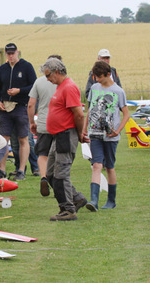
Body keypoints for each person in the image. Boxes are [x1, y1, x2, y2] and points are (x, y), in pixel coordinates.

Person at [41, 58, 88, 221]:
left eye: (48, 75)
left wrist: (80, 134)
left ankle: (68, 210)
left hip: (66, 136)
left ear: (57, 72)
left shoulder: (69, 87)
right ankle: (76, 198)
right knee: (50, 174)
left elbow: (79, 114)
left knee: (61, 174)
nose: (47, 79)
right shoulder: (61, 87)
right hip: (58, 136)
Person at [84, 61, 130, 212]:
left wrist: (118, 130)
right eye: (95, 76)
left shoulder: (118, 91)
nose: (96, 79)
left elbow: (126, 114)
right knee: (96, 165)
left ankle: (111, 200)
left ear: (108, 74)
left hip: (111, 136)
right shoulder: (94, 88)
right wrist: (84, 129)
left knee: (109, 167)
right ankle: (94, 201)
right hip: (94, 135)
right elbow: (90, 110)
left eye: (99, 77)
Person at [0, 43, 37, 180]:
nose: (11, 56)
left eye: (13, 53)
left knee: (23, 139)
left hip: (21, 106)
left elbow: (33, 86)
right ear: (6, 54)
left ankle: (21, 170)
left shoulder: (26, 66)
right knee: (3, 139)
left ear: (17, 52)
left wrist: (19, 90)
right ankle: (2, 170)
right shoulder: (2, 69)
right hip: (5, 108)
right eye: (8, 53)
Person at [28, 55, 61, 196]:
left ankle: (43, 177)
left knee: (42, 154)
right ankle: (57, 180)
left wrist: (31, 122)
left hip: (43, 122)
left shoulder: (39, 82)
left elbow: (31, 104)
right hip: (60, 123)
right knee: (59, 154)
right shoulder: (63, 82)